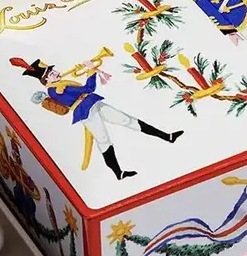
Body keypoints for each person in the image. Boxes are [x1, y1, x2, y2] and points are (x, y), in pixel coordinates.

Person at [10, 57, 183, 181]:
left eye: (53, 70)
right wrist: (91, 70)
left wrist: (91, 70)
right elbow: (88, 88)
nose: (56, 72)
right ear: (46, 78)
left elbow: (87, 91)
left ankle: (167, 136)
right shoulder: (55, 90)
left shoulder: (61, 84)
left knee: (127, 120)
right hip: (85, 111)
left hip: (93, 103)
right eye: (51, 72)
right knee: (103, 140)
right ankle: (118, 173)